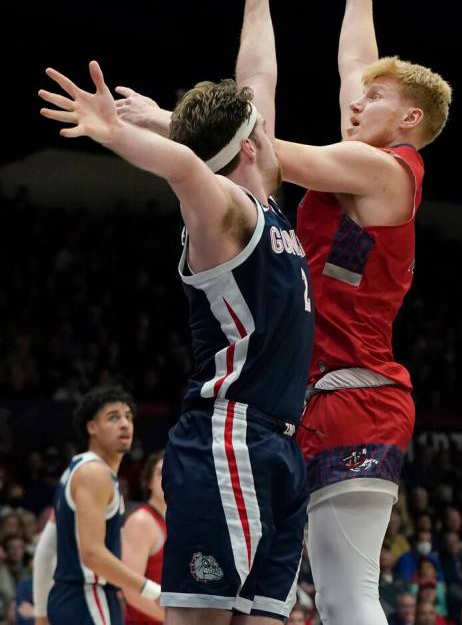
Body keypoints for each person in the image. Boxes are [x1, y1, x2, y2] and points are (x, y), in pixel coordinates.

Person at [114, 0, 452, 625]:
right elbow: (354, 68)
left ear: (410, 120)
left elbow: (257, 146)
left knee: (344, 592)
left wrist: (166, 127)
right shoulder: (366, 161)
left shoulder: (388, 170)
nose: (357, 102)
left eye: (376, 101)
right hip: (311, 398)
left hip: (351, 389)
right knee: (301, 599)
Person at [38, 63, 314, 624]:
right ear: (253, 145)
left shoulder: (270, 208)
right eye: (264, 124)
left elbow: (259, 73)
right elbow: (188, 166)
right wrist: (118, 132)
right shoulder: (224, 209)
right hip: (230, 436)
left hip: (281, 444)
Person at [32, 385, 163, 625]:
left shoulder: (76, 468)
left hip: (70, 601)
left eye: (128, 417)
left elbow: (47, 547)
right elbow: (92, 554)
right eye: (113, 418)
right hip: (89, 599)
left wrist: (41, 613)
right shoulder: (95, 474)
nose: (125, 424)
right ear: (92, 427)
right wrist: (153, 590)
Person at [123, 451, 166, 624]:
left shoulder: (181, 522)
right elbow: (130, 590)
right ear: (148, 481)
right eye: (161, 473)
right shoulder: (142, 522)